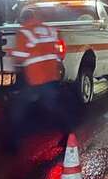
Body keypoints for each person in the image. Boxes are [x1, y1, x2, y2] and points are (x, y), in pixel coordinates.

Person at [7, 16, 68, 150]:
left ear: (22, 20)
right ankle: (67, 134)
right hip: (51, 75)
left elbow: (20, 57)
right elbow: (61, 53)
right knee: (53, 106)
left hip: (35, 77)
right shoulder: (50, 30)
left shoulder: (24, 32)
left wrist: (10, 53)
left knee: (18, 108)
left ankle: (13, 142)